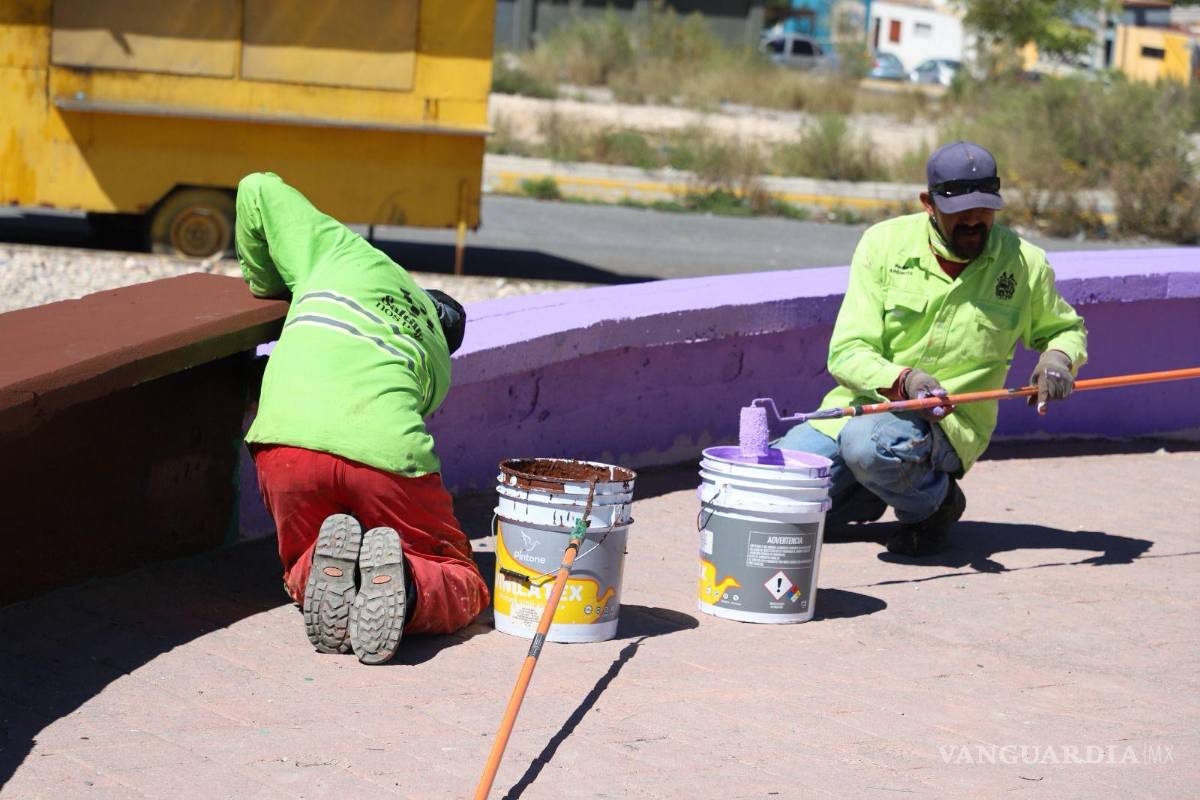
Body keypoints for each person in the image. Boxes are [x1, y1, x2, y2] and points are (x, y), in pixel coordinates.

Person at [775, 141, 1087, 556]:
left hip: (948, 426)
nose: (975, 221)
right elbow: (847, 351)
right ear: (929, 203)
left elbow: (1064, 330)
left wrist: (1057, 360)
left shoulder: (1024, 263)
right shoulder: (883, 245)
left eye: (986, 209)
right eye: (961, 211)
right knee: (775, 496)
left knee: (868, 446)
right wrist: (906, 382)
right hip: (862, 407)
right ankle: (871, 489)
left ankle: (936, 506)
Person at [235, 172, 489, 664]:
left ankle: (326, 579)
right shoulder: (436, 356)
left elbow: (257, 187)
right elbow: (400, 424)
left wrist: (267, 282)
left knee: (304, 554)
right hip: (383, 451)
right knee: (462, 577)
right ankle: (410, 588)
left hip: (285, 442)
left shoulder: (346, 255)